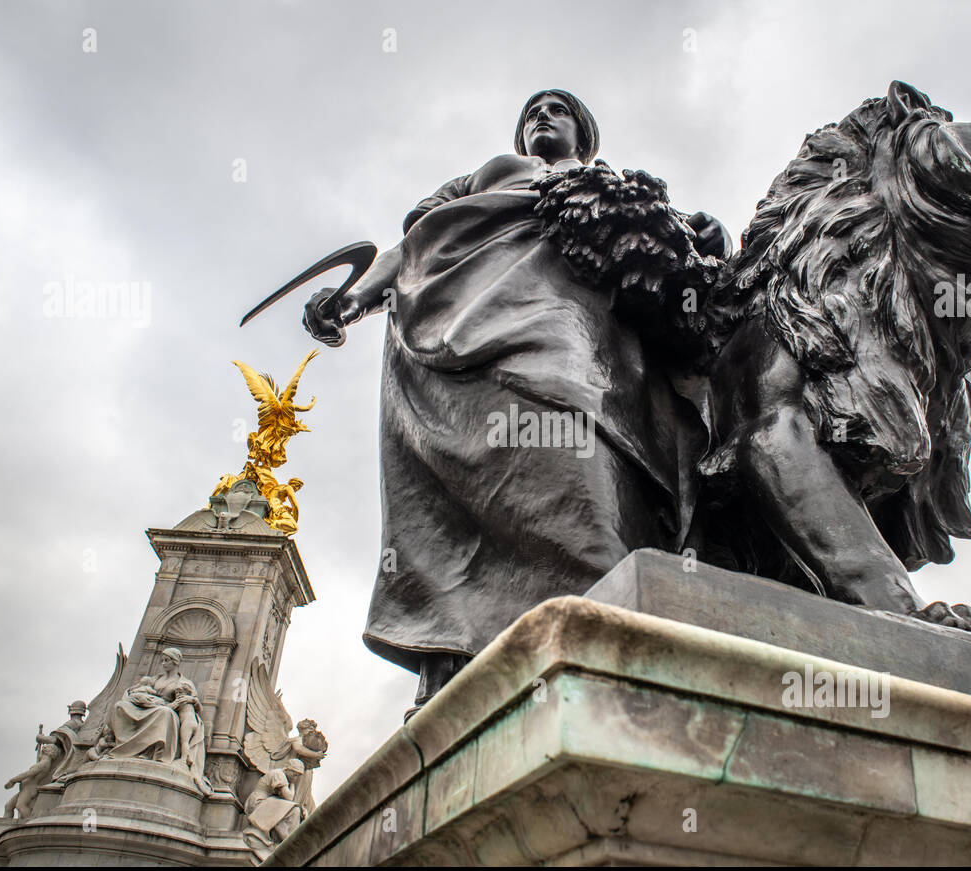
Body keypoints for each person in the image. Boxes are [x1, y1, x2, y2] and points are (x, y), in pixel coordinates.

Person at [310, 90, 724, 713]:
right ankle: (473, 669)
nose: (541, 117)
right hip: (466, 336)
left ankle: (604, 659)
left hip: (581, 335)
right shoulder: (489, 178)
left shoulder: (610, 187)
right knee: (494, 489)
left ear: (584, 133)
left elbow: (669, 262)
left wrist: (700, 239)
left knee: (585, 478)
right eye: (532, 111)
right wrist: (355, 298)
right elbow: (414, 250)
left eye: (557, 109)